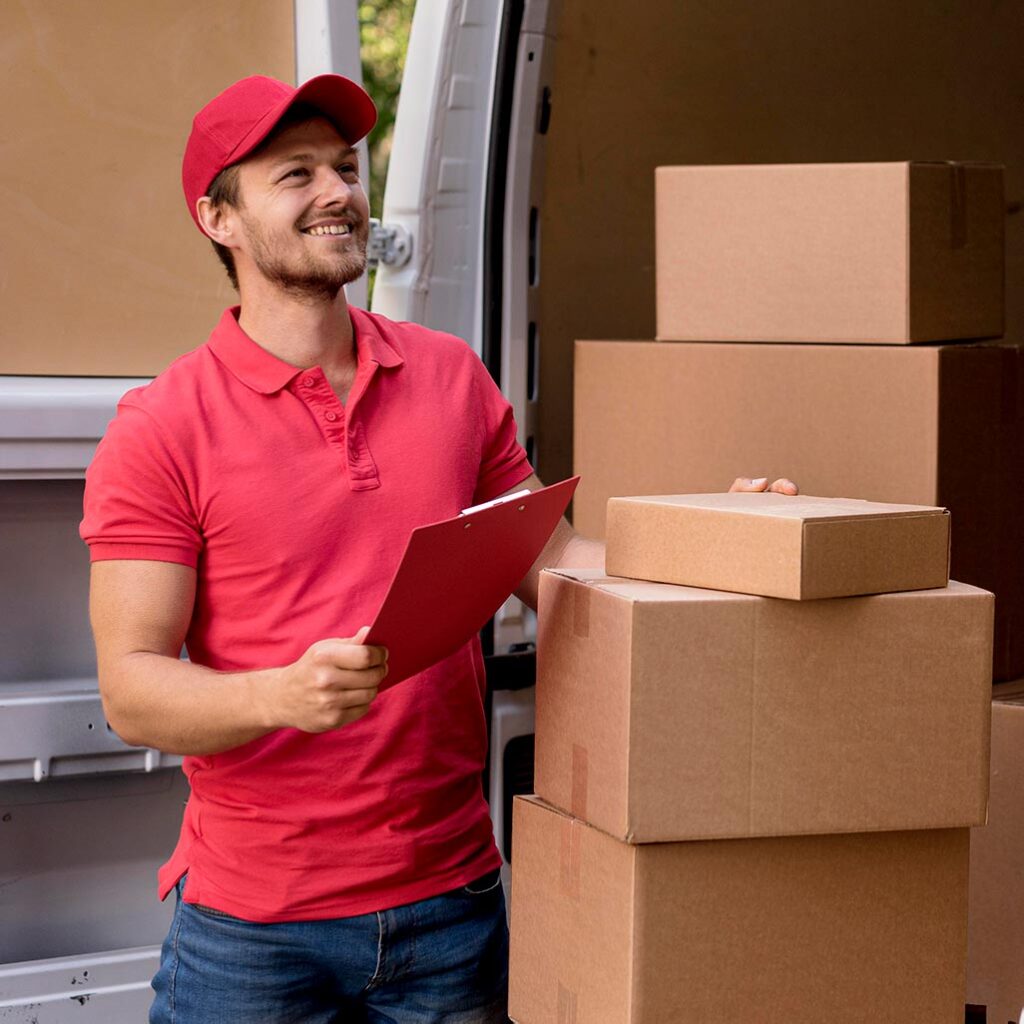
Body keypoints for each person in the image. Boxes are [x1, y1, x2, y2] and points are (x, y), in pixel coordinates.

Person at [80, 73, 797, 1024]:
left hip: (451, 910)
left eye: (345, 168)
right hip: (254, 931)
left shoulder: (451, 377)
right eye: (296, 175)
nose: (338, 192)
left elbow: (559, 567)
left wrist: (713, 541)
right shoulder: (161, 427)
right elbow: (131, 689)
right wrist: (276, 694)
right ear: (219, 219)